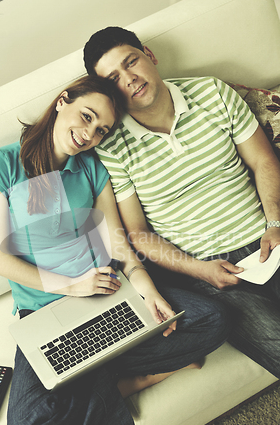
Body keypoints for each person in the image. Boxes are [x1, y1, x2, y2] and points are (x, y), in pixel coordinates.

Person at [0, 75, 230, 425]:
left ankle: (92, 366)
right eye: (87, 116)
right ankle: (137, 378)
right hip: (46, 313)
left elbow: (119, 243)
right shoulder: (2, 164)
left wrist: (146, 289)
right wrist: (71, 286)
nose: (89, 133)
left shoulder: (92, 168)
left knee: (215, 318)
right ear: (63, 101)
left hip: (109, 295)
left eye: (101, 129)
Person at [83, 26, 280, 380]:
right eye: (114, 79)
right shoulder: (112, 146)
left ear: (150, 56)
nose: (129, 79)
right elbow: (139, 234)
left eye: (132, 62)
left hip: (269, 241)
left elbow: (264, 161)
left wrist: (275, 224)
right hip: (207, 272)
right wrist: (198, 270)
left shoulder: (212, 91)